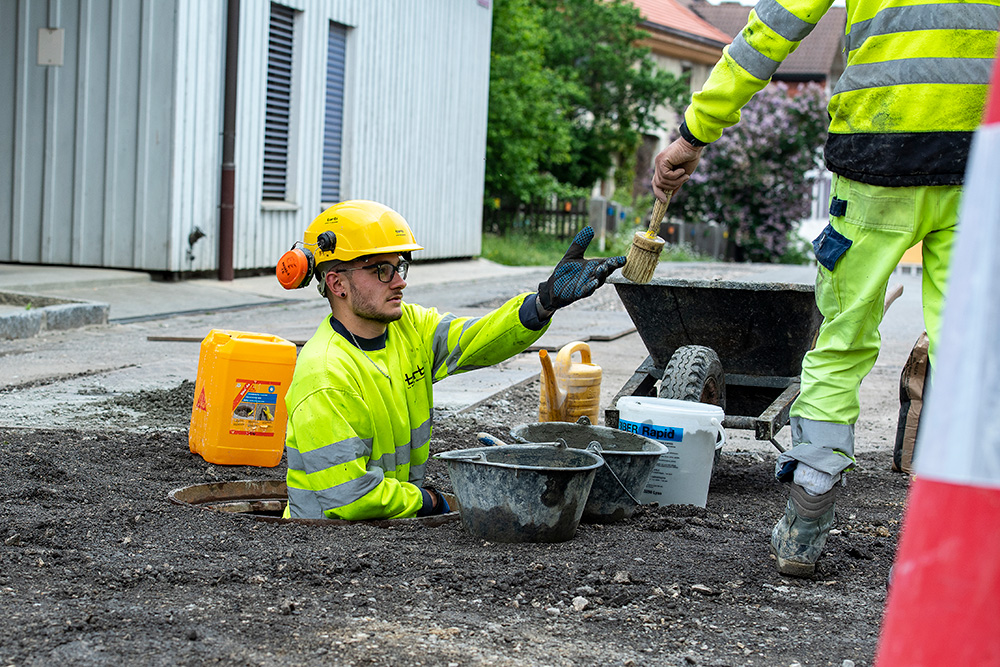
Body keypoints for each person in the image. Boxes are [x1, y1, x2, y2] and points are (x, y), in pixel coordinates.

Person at [653, 1, 1000, 576]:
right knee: (968, 354)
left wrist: (695, 132)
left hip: (875, 153)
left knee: (842, 340)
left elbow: (772, 29)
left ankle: (805, 522)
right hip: (980, 157)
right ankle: (949, 543)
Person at [276, 200, 625, 521]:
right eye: (381, 270)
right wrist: (429, 502)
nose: (399, 282)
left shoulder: (409, 327)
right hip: (325, 548)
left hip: (387, 530)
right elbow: (349, 498)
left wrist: (544, 302)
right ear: (337, 283)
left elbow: (478, 338)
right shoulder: (324, 373)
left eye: (400, 267)